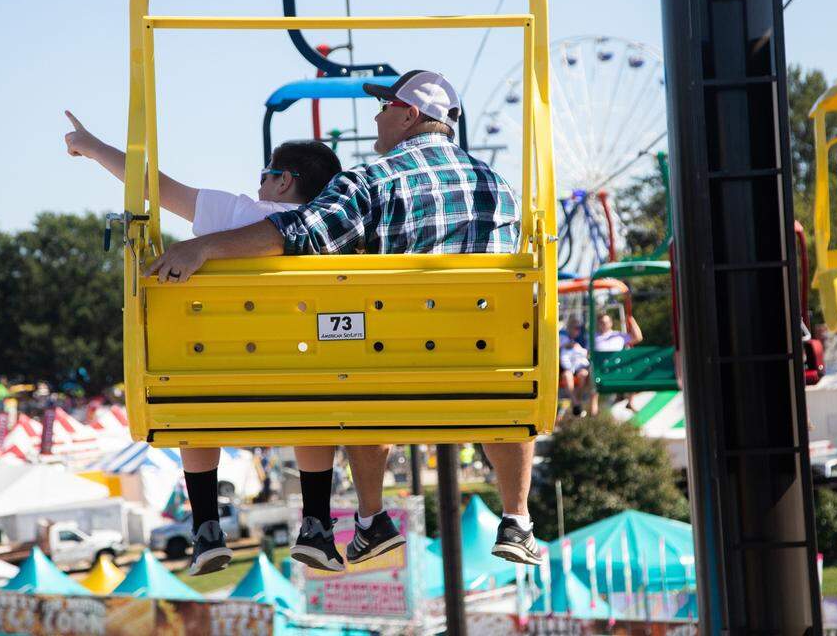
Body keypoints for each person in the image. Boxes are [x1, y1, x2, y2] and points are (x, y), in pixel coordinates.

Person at [142, 70, 542, 566]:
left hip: (392, 370)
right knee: (504, 376)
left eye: (383, 107)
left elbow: (299, 233)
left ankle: (372, 517)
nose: (375, 116)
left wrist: (203, 246)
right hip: (488, 371)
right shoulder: (498, 186)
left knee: (359, 352)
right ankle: (517, 518)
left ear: (409, 114)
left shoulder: (372, 180)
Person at [63, 111, 343, 575]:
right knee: (312, 406)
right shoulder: (329, 231)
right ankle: (315, 522)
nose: (258, 187)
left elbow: (154, 187)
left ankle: (207, 528)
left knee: (191, 399)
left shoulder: (238, 215)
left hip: (217, 376)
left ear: (283, 182)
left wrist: (90, 146)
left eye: (264, 176)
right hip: (300, 375)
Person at [558, 316, 590, 416]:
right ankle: (576, 403)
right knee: (567, 376)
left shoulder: (584, 339)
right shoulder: (562, 337)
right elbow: (558, 346)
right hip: (566, 368)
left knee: (584, 375)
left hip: (580, 368)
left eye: (578, 328)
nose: (577, 330)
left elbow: (587, 353)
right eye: (574, 327)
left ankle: (576, 401)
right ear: (568, 328)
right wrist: (566, 345)